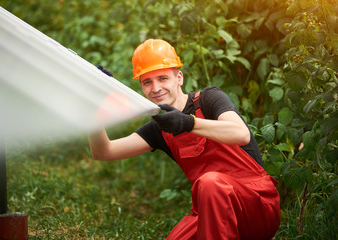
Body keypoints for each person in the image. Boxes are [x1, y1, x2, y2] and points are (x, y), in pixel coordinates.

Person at [89, 39, 280, 240]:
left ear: (179, 77)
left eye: (163, 78)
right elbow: (103, 152)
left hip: (257, 207)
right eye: (147, 82)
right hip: (211, 212)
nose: (155, 88)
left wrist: (188, 123)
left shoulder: (208, 98)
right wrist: (92, 111)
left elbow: (240, 134)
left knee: (211, 183)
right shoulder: (160, 128)